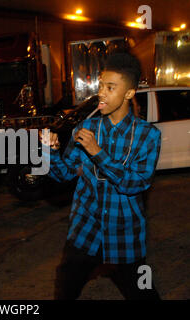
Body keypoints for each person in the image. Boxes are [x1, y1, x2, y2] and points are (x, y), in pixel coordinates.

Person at [41, 53, 161, 300]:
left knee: (143, 293)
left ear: (129, 93)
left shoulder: (148, 136)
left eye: (110, 87)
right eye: (100, 87)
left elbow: (136, 183)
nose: (101, 93)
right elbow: (64, 174)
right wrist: (50, 152)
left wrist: (98, 152)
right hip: (85, 230)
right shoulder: (85, 129)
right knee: (65, 289)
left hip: (124, 234)